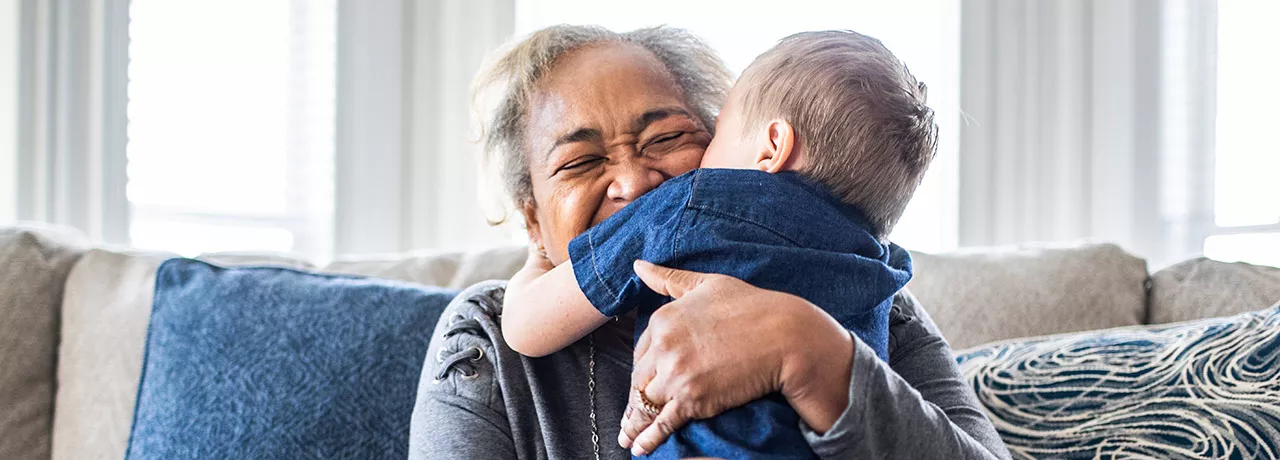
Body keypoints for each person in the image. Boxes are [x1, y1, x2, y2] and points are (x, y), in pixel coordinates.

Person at [409, 24, 1012, 460]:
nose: (634, 183)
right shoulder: (485, 337)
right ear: (532, 220)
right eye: (580, 162)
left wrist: (809, 351)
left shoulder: (883, 301)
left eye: (667, 138)